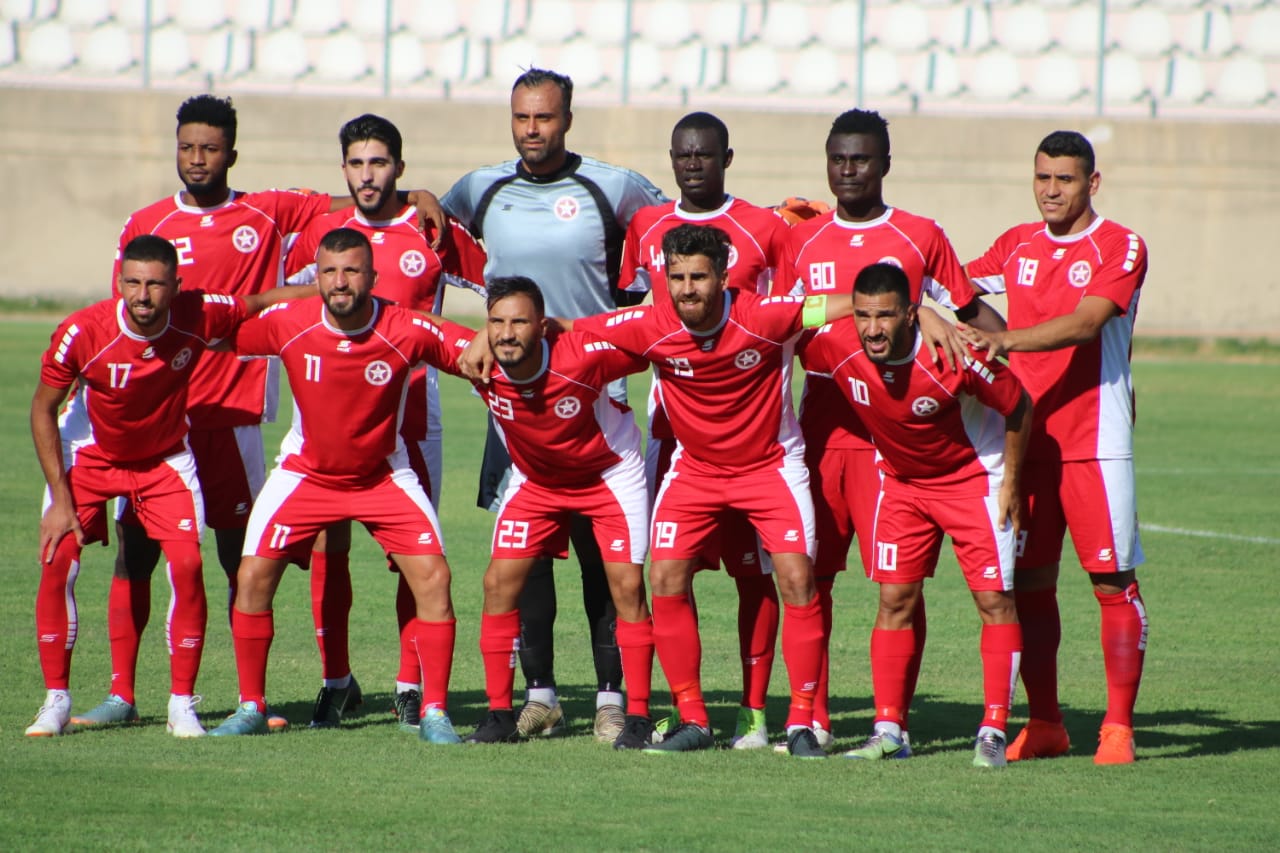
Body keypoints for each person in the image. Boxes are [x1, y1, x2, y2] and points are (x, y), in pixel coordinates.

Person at [71, 95, 446, 731]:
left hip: (236, 416)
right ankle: (122, 693)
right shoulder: (145, 225)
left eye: (210, 148)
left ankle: (254, 701)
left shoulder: (268, 211)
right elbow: (127, 321)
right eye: (188, 146)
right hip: (162, 421)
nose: (197, 159)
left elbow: (358, 203)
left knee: (240, 561)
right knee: (136, 553)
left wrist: (418, 195)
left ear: (231, 154)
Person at [507, 223, 863, 758]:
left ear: (723, 276)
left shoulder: (767, 315)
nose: (687, 288)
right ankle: (692, 719)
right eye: (676, 277)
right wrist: (491, 345)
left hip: (770, 468)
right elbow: (574, 328)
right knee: (666, 575)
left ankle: (801, 723)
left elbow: (852, 304)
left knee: (795, 577)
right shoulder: (650, 324)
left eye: (699, 276)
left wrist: (922, 312)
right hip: (694, 471)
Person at [442, 67, 666, 741]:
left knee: (607, 561)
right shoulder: (482, 188)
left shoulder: (613, 185)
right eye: (521, 118)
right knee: (525, 556)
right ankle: (537, 693)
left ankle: (611, 695)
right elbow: (424, 229)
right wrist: (421, 196)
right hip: (513, 394)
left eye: (543, 118)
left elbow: (672, 231)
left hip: (596, 391)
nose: (532, 130)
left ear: (566, 119)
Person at [787, 108, 1006, 751]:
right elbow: (779, 317)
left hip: (895, 440)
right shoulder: (799, 238)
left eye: (860, 159)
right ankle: (813, 717)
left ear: (886, 162)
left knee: (899, 585)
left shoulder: (919, 236)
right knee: (812, 577)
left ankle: (894, 723)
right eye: (837, 158)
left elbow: (972, 315)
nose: (848, 170)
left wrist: (998, 354)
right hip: (824, 428)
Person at [26, 235, 302, 738]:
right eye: (132, 282)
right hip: (90, 454)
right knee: (58, 559)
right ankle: (56, 701)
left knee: (190, 564)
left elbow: (261, 303)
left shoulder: (198, 313)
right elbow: (43, 408)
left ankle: (181, 705)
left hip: (164, 459)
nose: (143, 295)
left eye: (155, 284)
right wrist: (61, 502)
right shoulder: (82, 331)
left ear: (176, 286)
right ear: (119, 283)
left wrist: (346, 301)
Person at [208, 228, 466, 742]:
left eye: (352, 270)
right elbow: (217, 330)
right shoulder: (290, 323)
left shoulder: (403, 328)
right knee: (253, 576)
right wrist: (261, 297)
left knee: (434, 578)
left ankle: (434, 712)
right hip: (305, 474)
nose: (340, 281)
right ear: (316, 278)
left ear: (372, 277)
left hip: (382, 475)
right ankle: (251, 706)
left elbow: (471, 351)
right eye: (329, 271)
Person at [283, 114, 486, 731]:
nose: (367, 175)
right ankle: (336, 680)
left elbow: (497, 288)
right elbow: (289, 306)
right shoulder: (322, 230)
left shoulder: (434, 229)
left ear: (399, 165)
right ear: (343, 168)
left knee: (412, 558)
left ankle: (406, 684)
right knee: (327, 547)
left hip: (412, 417)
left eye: (379, 162)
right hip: (325, 413)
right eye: (356, 163)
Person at [962, 130, 1150, 766]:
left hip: (1095, 443)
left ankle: (1118, 728)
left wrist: (1007, 339)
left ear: (1091, 183)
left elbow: (1088, 320)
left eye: (1064, 179)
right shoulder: (1016, 243)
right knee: (1032, 585)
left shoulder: (1120, 244)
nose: (1050, 190)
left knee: (1111, 581)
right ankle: (1046, 723)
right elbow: (949, 285)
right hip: (1024, 444)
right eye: (1042, 177)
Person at [798, 263, 1033, 768]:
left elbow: (1018, 404)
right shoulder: (837, 345)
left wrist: (1011, 483)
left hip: (975, 482)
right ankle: (889, 730)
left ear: (907, 315)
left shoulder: (952, 355)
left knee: (994, 601)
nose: (872, 328)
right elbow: (786, 324)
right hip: (901, 486)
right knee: (894, 599)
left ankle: (992, 728)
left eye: (885, 316)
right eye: (862, 315)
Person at [618, 111, 796, 750]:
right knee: (667, 570)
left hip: (751, 431)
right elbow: (637, 315)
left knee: (756, 573)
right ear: (671, 158)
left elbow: (791, 309)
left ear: (727, 156)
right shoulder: (646, 226)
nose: (693, 164)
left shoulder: (765, 226)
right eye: (683, 155)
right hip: (674, 430)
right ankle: (682, 711)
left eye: (706, 154)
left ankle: (754, 713)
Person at [442, 277, 656, 749]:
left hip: (608, 477)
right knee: (499, 583)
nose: (507, 332)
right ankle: (501, 714)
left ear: (543, 326)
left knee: (625, 587)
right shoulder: (478, 362)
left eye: (519, 321)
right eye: (497, 322)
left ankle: (633, 716)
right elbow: (421, 331)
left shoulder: (582, 356)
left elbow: (652, 337)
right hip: (536, 482)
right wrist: (480, 333)